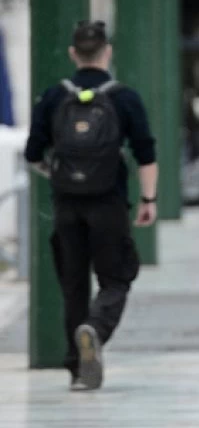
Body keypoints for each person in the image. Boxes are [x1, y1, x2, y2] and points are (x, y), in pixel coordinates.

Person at [24, 20, 158, 391]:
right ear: (107, 52)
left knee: (73, 286)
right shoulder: (124, 97)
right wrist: (148, 199)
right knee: (116, 277)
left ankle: (78, 371)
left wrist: (59, 174)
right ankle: (95, 328)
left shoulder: (54, 97)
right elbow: (146, 153)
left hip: (67, 206)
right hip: (109, 203)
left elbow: (33, 153)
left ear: (73, 54)